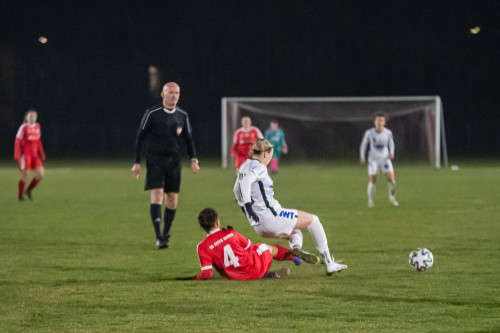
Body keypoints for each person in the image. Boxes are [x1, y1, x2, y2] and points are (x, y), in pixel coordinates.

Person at [233, 139, 348, 276]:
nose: (271, 158)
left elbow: (236, 188)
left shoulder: (245, 165)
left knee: (295, 232)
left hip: (258, 225)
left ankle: (296, 249)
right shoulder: (259, 167)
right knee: (314, 220)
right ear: (265, 154)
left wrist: (246, 210)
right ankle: (330, 263)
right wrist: (247, 205)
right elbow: (246, 182)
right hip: (272, 216)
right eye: (271, 155)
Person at [132, 82, 200, 249]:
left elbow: (188, 138)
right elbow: (140, 137)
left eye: (177, 93)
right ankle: (158, 236)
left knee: (172, 198)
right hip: (155, 160)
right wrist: (137, 162)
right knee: (157, 195)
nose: (174, 96)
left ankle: (166, 233)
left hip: (174, 161)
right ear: (163, 94)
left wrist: (194, 159)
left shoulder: (182, 115)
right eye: (170, 93)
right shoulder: (152, 113)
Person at [192, 208, 303, 280]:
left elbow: (207, 274)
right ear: (217, 222)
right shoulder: (231, 233)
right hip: (253, 268)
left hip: (234, 278)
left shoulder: (202, 247)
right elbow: (250, 247)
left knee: (248, 262)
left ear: (203, 227)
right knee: (264, 247)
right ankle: (295, 258)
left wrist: (192, 278)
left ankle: (268, 274)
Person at [360, 112, 398, 207]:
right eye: (378, 120)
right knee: (372, 180)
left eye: (382, 120)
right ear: (375, 121)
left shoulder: (388, 132)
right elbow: (364, 144)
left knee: (392, 180)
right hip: (373, 160)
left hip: (385, 159)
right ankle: (370, 201)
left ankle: (392, 198)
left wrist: (392, 152)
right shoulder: (369, 133)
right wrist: (362, 156)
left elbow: (391, 143)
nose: (380, 122)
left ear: (384, 122)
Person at [14, 110, 46, 201]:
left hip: (35, 156)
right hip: (26, 155)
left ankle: (28, 190)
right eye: (30, 116)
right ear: (27, 118)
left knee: (40, 174)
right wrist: (17, 156)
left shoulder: (37, 126)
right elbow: (17, 141)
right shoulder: (23, 127)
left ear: (36, 118)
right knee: (26, 175)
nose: (32, 118)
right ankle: (20, 196)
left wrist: (42, 153)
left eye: (34, 116)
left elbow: (38, 141)